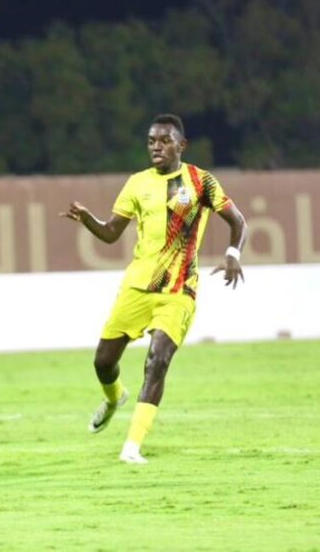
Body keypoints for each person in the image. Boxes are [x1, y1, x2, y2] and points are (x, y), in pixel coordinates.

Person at [60, 114, 246, 464]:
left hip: (179, 290)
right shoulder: (136, 184)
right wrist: (87, 219)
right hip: (137, 286)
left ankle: (132, 447)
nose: (156, 147)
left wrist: (233, 253)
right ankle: (115, 397)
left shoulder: (201, 182)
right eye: (151, 141)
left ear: (181, 145)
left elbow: (238, 221)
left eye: (164, 141)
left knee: (157, 360)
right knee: (103, 362)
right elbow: (112, 232)